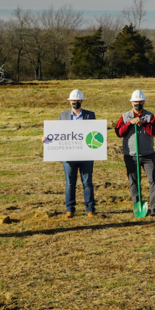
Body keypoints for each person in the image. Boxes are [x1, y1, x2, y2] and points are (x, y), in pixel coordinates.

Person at [114, 90, 155, 216]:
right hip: (131, 155)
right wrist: (129, 123)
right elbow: (119, 132)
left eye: (140, 101)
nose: (138, 103)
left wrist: (144, 124)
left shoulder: (150, 116)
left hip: (148, 155)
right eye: (135, 101)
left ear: (144, 102)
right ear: (131, 103)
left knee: (154, 180)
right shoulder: (125, 117)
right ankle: (137, 205)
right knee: (134, 182)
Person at [57, 89, 97, 218]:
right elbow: (57, 134)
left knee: (87, 182)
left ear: (81, 101)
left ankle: (90, 209)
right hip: (69, 156)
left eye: (77, 100)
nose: (75, 102)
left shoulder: (90, 115)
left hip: (86, 154)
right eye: (73, 100)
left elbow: (96, 132)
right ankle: (70, 209)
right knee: (70, 183)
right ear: (70, 102)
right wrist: (47, 138)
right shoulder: (62, 116)